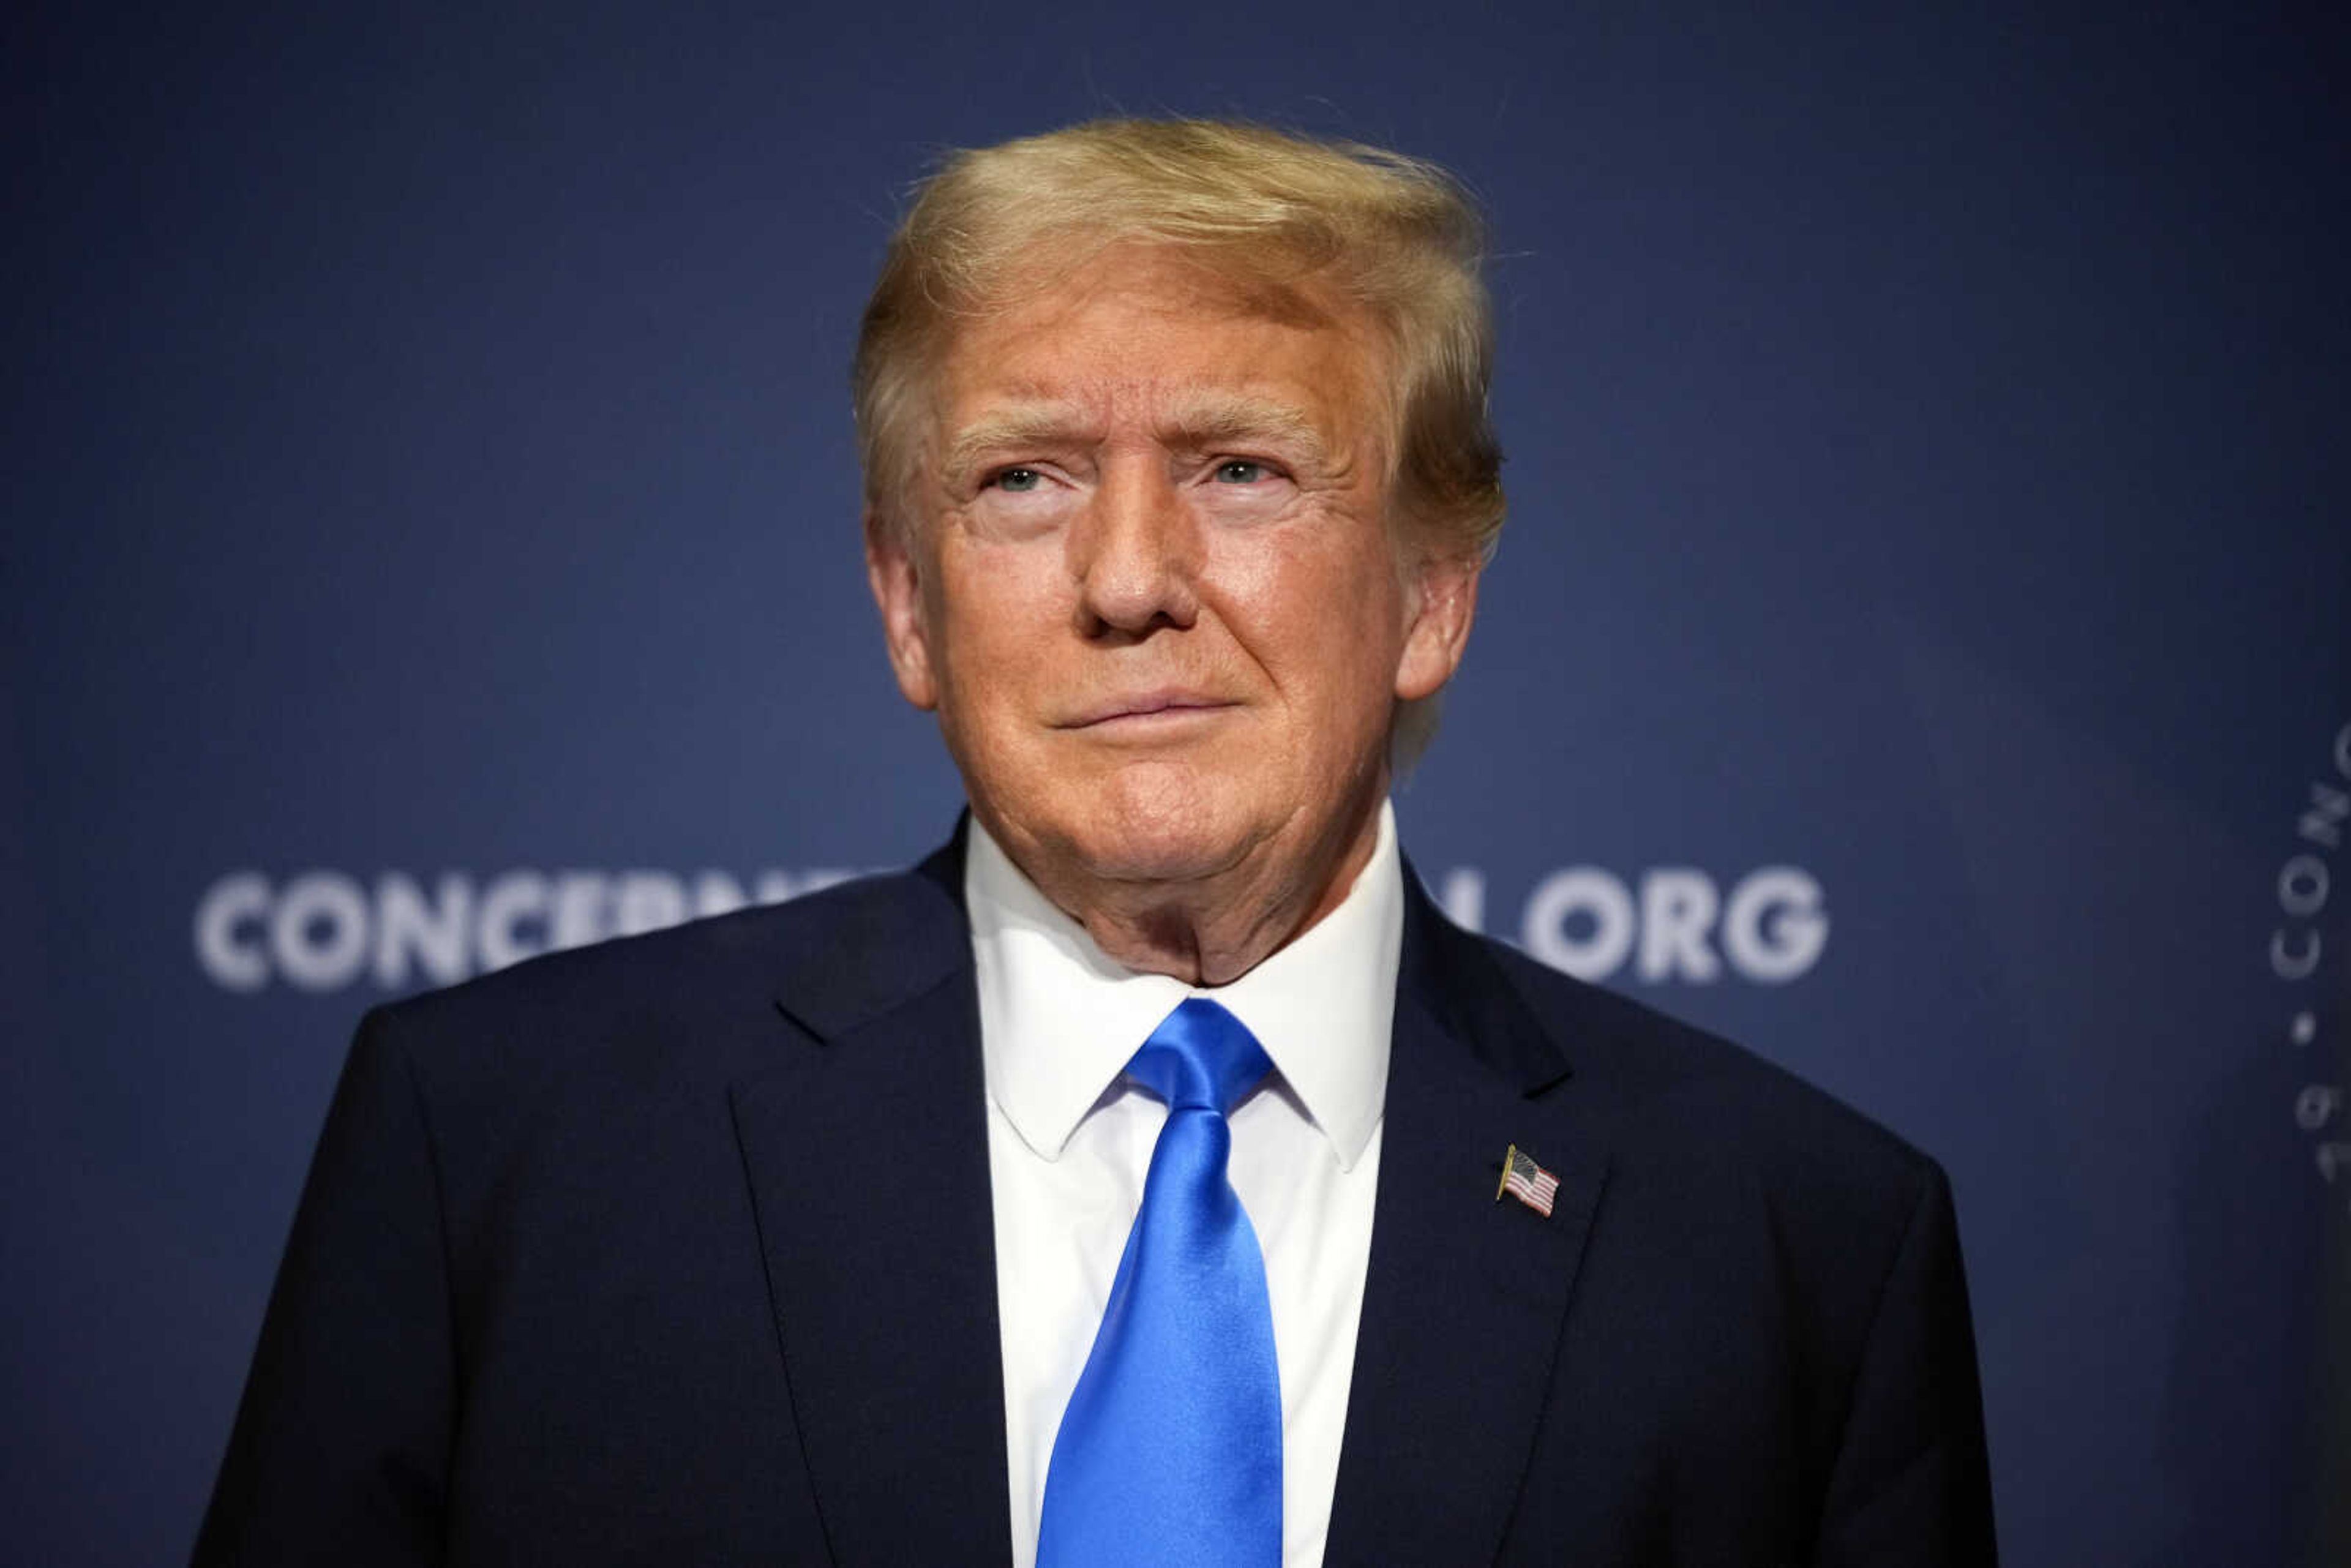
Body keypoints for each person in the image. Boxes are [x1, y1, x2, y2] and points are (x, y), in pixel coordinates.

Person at [195, 118, 1996, 1566]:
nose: (1131, 580)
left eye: (1241, 468)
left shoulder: (1796, 1247)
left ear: (1433, 590)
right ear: (908, 604)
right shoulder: (502, 1153)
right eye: (1024, 479)